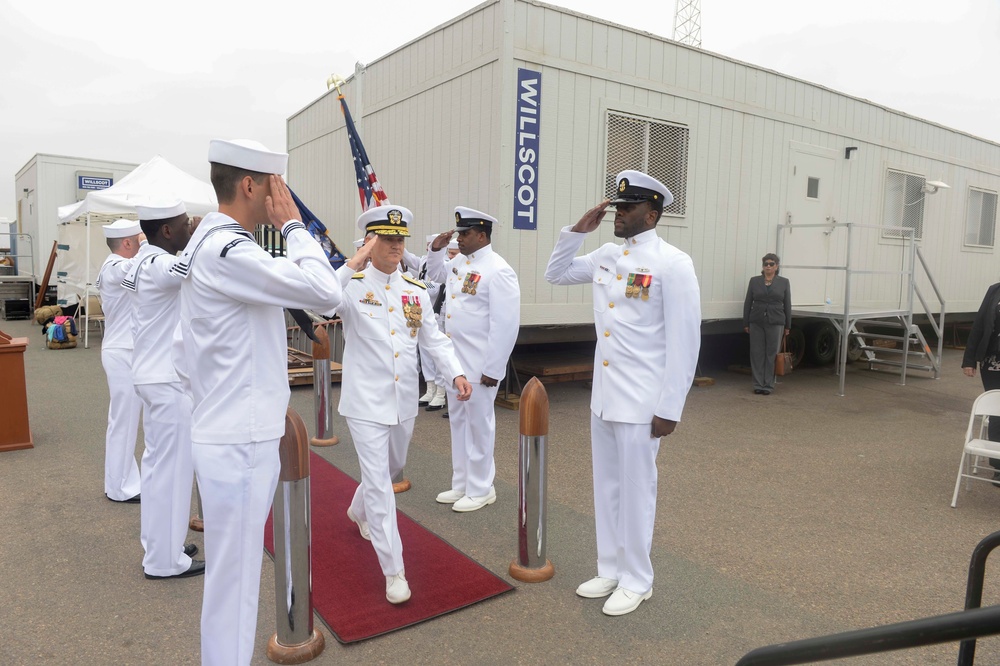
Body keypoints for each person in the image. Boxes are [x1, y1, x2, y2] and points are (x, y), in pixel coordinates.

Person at [169, 139, 343, 665]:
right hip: (240, 439)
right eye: (277, 187)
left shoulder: (205, 245)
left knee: (230, 583)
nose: (281, 197)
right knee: (236, 587)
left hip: (224, 428)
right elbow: (326, 292)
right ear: (250, 186)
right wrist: (294, 227)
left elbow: (183, 353)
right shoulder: (231, 250)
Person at [544, 170, 701, 616]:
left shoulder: (673, 263)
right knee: (607, 488)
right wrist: (577, 231)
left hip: (642, 402)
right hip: (605, 396)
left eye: (628, 208)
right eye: (617, 207)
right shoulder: (608, 255)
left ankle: (638, 578)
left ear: (652, 213)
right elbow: (555, 274)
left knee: (637, 491)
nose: (620, 214)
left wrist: (670, 407)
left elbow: (685, 341)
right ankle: (610, 568)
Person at [334, 206, 471, 604]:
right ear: (370, 242)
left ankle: (358, 511)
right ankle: (394, 571)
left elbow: (433, 340)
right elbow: (319, 302)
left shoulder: (414, 289)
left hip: (403, 401)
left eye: (399, 239)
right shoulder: (352, 285)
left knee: (390, 470)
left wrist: (455, 373)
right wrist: (352, 261)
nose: (395, 245)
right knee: (380, 485)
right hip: (364, 403)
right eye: (386, 238)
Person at [124, 200, 203, 580]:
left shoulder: (141, 259)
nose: (191, 226)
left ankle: (162, 546)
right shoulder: (158, 264)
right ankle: (165, 561)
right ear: (167, 231)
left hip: (150, 374)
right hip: (166, 379)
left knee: (157, 470)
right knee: (171, 472)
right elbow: (193, 267)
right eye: (185, 223)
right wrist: (206, 234)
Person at [426, 207, 521, 513]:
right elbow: (436, 275)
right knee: (459, 424)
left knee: (479, 427)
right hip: (456, 365)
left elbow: (505, 325)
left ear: (482, 235)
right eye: (458, 234)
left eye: (465, 234)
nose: (460, 239)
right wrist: (436, 250)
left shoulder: (498, 269)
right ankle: (462, 483)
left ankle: (481, 488)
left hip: (480, 367)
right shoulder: (460, 262)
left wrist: (493, 368)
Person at [97, 218, 144, 503]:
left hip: (126, 350)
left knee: (124, 421)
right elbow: (133, 268)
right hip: (121, 352)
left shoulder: (114, 266)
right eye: (138, 240)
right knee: (123, 422)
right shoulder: (114, 266)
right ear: (127, 243)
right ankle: (120, 488)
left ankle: (119, 481)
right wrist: (152, 241)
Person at [962, 281, 1000, 483]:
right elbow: (979, 324)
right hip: (992, 364)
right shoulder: (995, 290)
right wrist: (969, 360)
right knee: (997, 413)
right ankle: (998, 466)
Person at [742, 253, 792, 395]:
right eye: (766, 264)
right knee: (757, 353)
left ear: (776, 266)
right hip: (756, 321)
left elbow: (787, 304)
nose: (768, 266)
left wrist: (788, 325)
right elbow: (748, 302)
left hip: (776, 321)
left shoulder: (784, 282)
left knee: (772, 354)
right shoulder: (754, 281)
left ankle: (768, 384)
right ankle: (758, 383)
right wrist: (746, 322)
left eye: (771, 264)